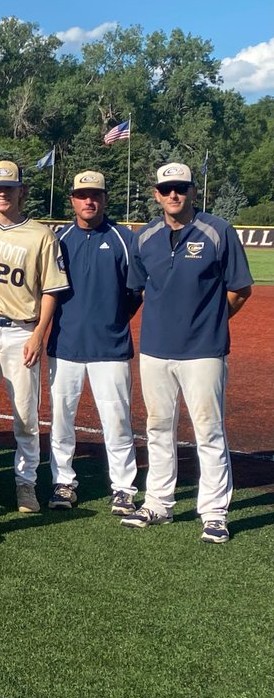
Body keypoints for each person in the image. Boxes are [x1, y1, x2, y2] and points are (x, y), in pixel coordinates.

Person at [121, 162, 252, 543]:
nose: (174, 195)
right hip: (156, 349)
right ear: (156, 194)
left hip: (203, 350)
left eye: (181, 187)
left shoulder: (218, 231)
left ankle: (214, 512)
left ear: (193, 191)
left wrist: (212, 319)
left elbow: (240, 289)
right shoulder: (145, 237)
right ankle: (159, 502)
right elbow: (139, 289)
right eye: (166, 189)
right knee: (158, 427)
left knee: (208, 430)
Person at [0, 160, 68, 513]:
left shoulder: (40, 235)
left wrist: (39, 333)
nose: (2, 193)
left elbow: (51, 289)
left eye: (9, 187)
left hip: (23, 331)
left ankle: (26, 484)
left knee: (25, 416)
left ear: (21, 191)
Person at [47, 170, 142, 514]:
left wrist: (112, 321)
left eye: (96, 195)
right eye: (82, 195)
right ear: (72, 199)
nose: (89, 201)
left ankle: (123, 487)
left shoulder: (123, 239)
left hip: (110, 348)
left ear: (105, 199)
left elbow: (135, 292)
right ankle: (63, 482)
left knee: (116, 419)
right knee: (61, 419)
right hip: (65, 345)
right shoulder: (59, 238)